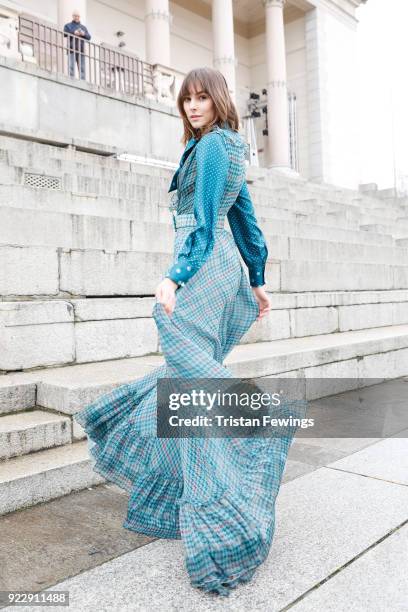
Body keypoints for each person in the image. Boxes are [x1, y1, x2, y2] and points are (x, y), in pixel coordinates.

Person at [74, 67, 294, 597]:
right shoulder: (218, 147)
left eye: (202, 97)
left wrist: (175, 276)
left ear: (218, 100)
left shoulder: (217, 147)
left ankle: (261, 424)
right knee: (182, 385)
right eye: (187, 99)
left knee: (188, 375)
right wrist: (258, 280)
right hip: (219, 266)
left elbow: (206, 220)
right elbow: (246, 219)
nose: (193, 106)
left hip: (201, 264)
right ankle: (194, 496)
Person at [63, 10, 91, 80]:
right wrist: (74, 32)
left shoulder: (83, 27)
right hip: (71, 49)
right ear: (73, 16)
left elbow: (89, 37)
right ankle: (71, 79)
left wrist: (83, 34)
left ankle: (82, 81)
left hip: (81, 50)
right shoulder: (68, 25)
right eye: (75, 16)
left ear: (79, 17)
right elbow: (65, 33)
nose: (76, 17)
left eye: (78, 16)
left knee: (82, 68)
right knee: (71, 66)